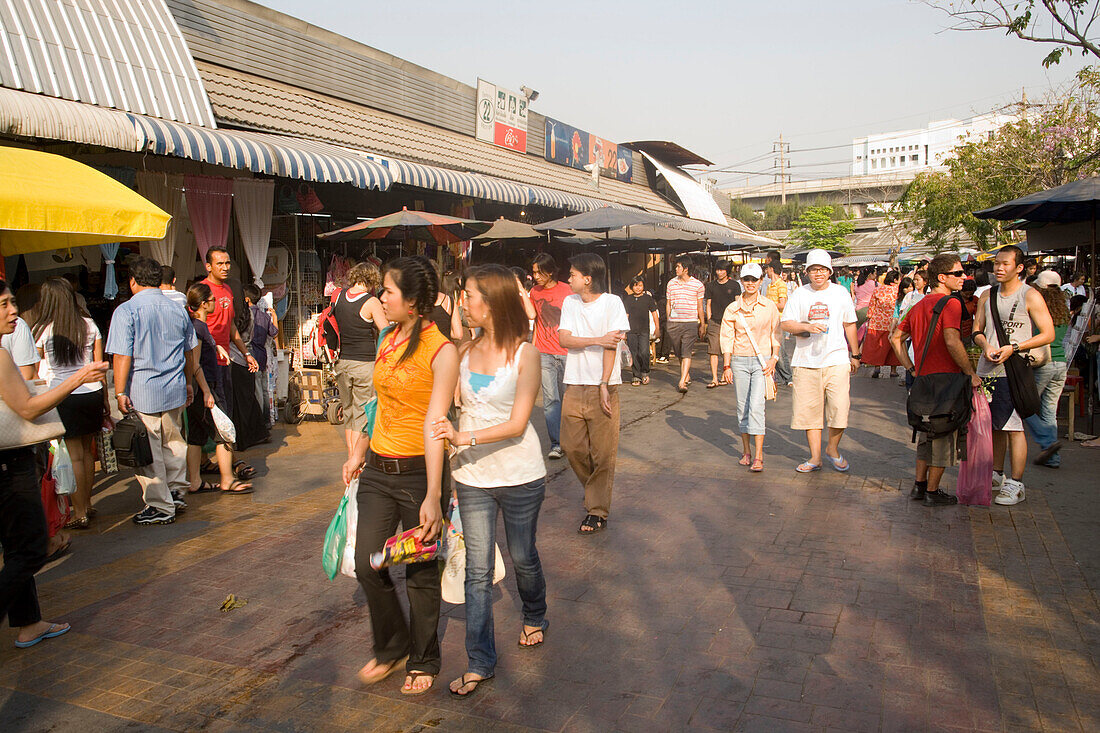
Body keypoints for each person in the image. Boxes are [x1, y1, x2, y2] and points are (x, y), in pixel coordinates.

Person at [429, 265, 548, 698]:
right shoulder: (460, 352)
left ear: (493, 301)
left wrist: (464, 435)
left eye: (471, 295)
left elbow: (518, 424)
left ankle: (535, 612)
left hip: (520, 475)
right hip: (472, 476)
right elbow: (447, 407)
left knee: (522, 557)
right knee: (476, 571)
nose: (463, 301)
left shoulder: (525, 355)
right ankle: (481, 661)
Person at [342, 256, 458, 696]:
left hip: (417, 473)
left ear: (412, 301)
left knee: (421, 571)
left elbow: (435, 421)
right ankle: (392, 646)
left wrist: (433, 493)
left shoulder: (441, 350)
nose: (380, 298)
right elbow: (378, 403)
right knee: (367, 560)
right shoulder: (387, 337)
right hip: (377, 468)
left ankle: (424, 657)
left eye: (388, 292)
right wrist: (358, 452)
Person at [0, 279, 107, 648]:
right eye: (4, 305)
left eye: (12, 302)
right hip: (8, 465)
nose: (14, 311)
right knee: (31, 547)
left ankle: (29, 623)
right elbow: (28, 408)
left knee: (17, 546)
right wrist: (79, 377)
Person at [106, 256, 198, 524]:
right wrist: (189, 382)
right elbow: (189, 351)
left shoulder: (126, 311)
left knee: (148, 450)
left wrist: (120, 391)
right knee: (174, 443)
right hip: (175, 388)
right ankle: (176, 492)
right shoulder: (177, 310)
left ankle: (160, 505)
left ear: (132, 281)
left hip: (143, 390)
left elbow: (122, 356)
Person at [890, 254, 981, 506]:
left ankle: (919, 486)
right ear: (942, 278)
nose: (964, 277)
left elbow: (895, 338)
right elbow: (952, 340)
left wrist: (911, 368)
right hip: (947, 380)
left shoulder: (918, 305)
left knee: (925, 432)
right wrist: (970, 373)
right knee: (944, 434)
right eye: (958, 273)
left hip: (924, 378)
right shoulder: (950, 304)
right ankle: (932, 491)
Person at [972, 246, 1056, 506]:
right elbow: (977, 330)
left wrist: (1015, 347)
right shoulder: (987, 295)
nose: (999, 268)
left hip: (1015, 371)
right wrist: (986, 346)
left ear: (1019, 268)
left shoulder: (1030, 295)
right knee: (994, 425)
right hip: (987, 371)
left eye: (1005, 264)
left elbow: (1048, 333)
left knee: (1014, 427)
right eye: (996, 263)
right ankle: (997, 473)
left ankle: (1016, 483)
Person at [558, 253, 630, 534]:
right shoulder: (570, 302)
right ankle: (594, 491)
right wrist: (596, 339)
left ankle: (597, 510)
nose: (569, 278)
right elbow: (564, 339)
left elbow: (611, 346)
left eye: (573, 274)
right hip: (574, 384)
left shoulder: (612, 303)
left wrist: (603, 384)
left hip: (604, 386)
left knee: (603, 453)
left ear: (587, 279)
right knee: (571, 446)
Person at [32, 278, 108, 530]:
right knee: (87, 453)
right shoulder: (89, 325)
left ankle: (79, 512)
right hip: (93, 394)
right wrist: (106, 401)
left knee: (74, 454)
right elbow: (98, 366)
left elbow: (34, 370)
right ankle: (86, 504)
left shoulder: (43, 330)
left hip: (64, 395)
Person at [781, 249, 861, 473]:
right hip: (806, 361)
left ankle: (832, 449)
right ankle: (815, 457)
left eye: (822, 270)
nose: (818, 274)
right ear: (807, 272)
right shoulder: (799, 294)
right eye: (813, 270)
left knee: (839, 408)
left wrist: (855, 354)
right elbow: (786, 323)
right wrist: (806, 326)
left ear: (829, 272)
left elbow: (850, 324)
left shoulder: (841, 293)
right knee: (810, 413)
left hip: (836, 359)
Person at [184, 282, 251, 496]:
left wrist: (217, 346)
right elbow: (195, 364)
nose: (216, 303)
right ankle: (227, 479)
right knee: (224, 432)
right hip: (207, 387)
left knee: (196, 436)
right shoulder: (198, 327)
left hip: (198, 389)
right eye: (212, 300)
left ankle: (195, 480)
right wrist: (206, 391)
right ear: (204, 304)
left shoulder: (196, 327)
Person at [200, 247, 262, 456]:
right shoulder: (201, 291)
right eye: (220, 263)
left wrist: (246, 354)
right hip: (205, 364)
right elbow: (195, 327)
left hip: (226, 362)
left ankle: (228, 462)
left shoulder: (228, 290)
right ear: (208, 266)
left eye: (227, 263)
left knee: (226, 412)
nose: (225, 268)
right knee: (207, 416)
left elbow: (231, 327)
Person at [719, 262, 780, 472]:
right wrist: (726, 365)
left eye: (755, 279)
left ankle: (759, 455)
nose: (751, 283)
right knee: (742, 407)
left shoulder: (769, 306)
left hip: (762, 361)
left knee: (756, 406)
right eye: (747, 279)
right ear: (741, 281)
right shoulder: (732, 308)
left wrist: (774, 358)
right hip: (739, 361)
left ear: (761, 281)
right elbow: (726, 338)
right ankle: (746, 452)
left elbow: (776, 333)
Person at [332, 262, 388, 458]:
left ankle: (350, 455)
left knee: (348, 413)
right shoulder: (371, 302)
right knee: (361, 413)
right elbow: (386, 330)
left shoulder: (339, 296)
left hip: (342, 361)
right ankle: (358, 459)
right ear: (373, 280)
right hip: (364, 363)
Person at [1025, 271, 1071, 468]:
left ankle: (1047, 442)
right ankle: (1052, 457)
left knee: (1024, 406)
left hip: (1042, 363)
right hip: (1061, 363)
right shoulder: (1064, 309)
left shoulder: (1038, 309)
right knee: (1049, 411)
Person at [528, 254, 572, 460]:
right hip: (544, 353)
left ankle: (572, 440)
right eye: (534, 271)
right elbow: (531, 317)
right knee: (550, 400)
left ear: (551, 271)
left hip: (567, 352)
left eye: (539, 272)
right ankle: (557, 443)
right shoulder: (534, 292)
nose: (535, 276)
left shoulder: (569, 291)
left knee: (568, 399)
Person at [665, 255, 705, 393]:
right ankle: (686, 374)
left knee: (686, 351)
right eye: (676, 266)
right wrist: (669, 319)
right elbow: (668, 303)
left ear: (686, 269)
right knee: (679, 352)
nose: (676, 269)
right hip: (674, 322)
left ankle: (682, 381)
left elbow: (700, 306)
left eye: (678, 266)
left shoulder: (698, 285)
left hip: (690, 322)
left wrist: (702, 323)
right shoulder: (671, 283)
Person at [243, 284, 279, 427]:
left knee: (257, 390)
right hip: (263, 356)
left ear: (246, 299)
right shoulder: (264, 316)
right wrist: (274, 316)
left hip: (252, 356)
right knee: (264, 390)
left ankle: (259, 424)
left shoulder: (246, 316)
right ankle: (266, 421)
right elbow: (274, 333)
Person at [704, 261, 741, 388]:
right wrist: (708, 320)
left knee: (728, 349)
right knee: (713, 350)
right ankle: (714, 378)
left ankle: (725, 375)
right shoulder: (710, 286)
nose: (719, 272)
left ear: (727, 271)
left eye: (722, 270)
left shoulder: (735, 285)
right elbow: (708, 304)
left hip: (730, 322)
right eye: (718, 270)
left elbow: (738, 304)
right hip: (714, 321)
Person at [861, 270, 902, 379]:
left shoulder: (878, 290)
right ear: (895, 279)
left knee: (877, 347)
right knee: (893, 347)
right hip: (893, 322)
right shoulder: (898, 290)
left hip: (877, 322)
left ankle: (877, 368)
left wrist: (869, 316)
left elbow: (872, 306)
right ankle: (893, 371)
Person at [623, 276, 659, 386]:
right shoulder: (628, 299)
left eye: (640, 285)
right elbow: (626, 315)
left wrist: (657, 328)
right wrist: (624, 331)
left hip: (644, 330)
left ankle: (645, 372)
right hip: (631, 331)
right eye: (635, 285)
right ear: (632, 287)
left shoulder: (648, 298)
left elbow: (654, 313)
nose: (638, 288)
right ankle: (636, 375)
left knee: (644, 352)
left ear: (643, 286)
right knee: (634, 353)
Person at [765, 261, 793, 386]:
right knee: (773, 349)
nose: (766, 272)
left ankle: (788, 377)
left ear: (771, 269)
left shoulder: (781, 285)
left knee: (779, 350)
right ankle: (780, 377)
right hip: (769, 320)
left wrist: (768, 304)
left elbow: (782, 304)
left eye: (767, 269)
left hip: (778, 321)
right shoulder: (770, 285)